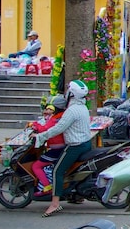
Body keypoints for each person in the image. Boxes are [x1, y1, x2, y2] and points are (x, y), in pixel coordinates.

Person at [34, 80, 93, 217]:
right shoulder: (82, 107)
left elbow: (58, 129)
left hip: (75, 146)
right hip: (85, 143)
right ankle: (75, 196)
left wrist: (41, 136)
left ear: (71, 94)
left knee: (57, 171)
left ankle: (55, 204)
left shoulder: (71, 111)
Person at [30, 95, 67, 196]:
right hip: (59, 148)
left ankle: (47, 187)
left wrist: (34, 125)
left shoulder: (56, 119)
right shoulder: (61, 116)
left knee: (36, 166)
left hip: (57, 149)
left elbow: (45, 129)